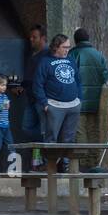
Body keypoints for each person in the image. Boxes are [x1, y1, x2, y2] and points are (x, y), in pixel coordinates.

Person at [32, 34, 82, 170]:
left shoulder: (71, 60)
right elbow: (37, 85)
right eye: (64, 47)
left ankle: (65, 165)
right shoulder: (45, 62)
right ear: (56, 47)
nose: (67, 50)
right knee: (51, 137)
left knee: (69, 138)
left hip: (73, 104)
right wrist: (45, 104)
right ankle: (50, 166)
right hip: (54, 104)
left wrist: (79, 100)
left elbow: (78, 80)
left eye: (68, 47)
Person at [68, 28, 108, 164]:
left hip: (77, 100)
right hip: (96, 101)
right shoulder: (99, 55)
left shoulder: (73, 54)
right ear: (88, 38)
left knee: (80, 132)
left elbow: (69, 77)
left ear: (75, 40)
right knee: (93, 131)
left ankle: (82, 163)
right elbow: (105, 76)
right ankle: (94, 161)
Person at [20, 24, 50, 170]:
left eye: (34, 37)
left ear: (43, 38)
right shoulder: (32, 55)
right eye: (30, 37)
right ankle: (40, 150)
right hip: (30, 99)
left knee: (44, 130)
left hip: (41, 99)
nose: (31, 39)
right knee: (26, 128)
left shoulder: (47, 55)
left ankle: (45, 161)